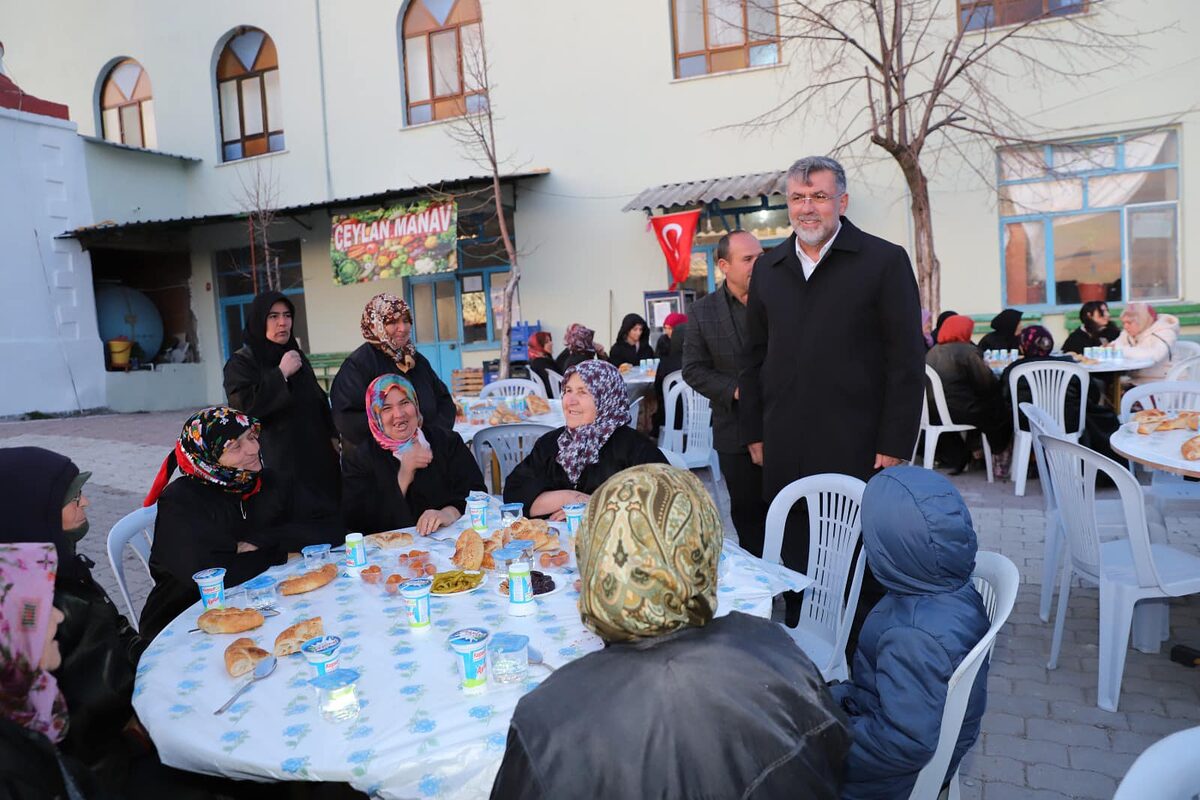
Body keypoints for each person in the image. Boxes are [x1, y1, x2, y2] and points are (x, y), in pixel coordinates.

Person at [490, 464, 851, 800]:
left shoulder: (547, 720)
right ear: (703, 552)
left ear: (594, 564)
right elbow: (832, 761)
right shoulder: (776, 650)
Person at [740, 156, 925, 632]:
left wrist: (895, 442)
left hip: (859, 443)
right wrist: (755, 432)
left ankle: (865, 663)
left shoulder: (883, 261)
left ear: (841, 201)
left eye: (819, 196)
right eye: (798, 197)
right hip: (786, 444)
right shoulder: (769, 269)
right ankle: (807, 655)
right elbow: (754, 357)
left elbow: (906, 360)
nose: (808, 208)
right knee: (797, 556)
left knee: (862, 560)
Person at [829, 467, 990, 800]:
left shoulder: (913, 636)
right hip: (884, 717)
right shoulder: (942, 586)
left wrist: (820, 744)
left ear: (890, 548)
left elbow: (902, 743)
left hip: (886, 778)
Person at [0, 447, 145, 791]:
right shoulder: (39, 607)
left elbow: (120, 635)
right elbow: (89, 726)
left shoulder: (62, 568)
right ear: (34, 510)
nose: (86, 503)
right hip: (116, 765)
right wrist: (139, 737)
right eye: (73, 497)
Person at [139, 407, 341, 641]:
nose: (253, 449)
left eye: (251, 437)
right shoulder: (181, 501)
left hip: (263, 608)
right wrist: (284, 552)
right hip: (186, 623)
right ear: (207, 457)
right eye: (235, 447)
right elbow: (213, 577)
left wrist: (262, 540)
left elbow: (334, 528)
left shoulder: (271, 482)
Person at [684, 230, 769, 556]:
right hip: (734, 433)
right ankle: (765, 592)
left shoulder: (782, 303)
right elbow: (693, 369)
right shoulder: (703, 312)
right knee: (748, 515)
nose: (757, 264)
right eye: (748, 259)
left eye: (761, 256)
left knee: (792, 513)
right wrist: (735, 390)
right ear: (723, 265)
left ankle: (797, 592)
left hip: (785, 426)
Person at [223, 291, 340, 516]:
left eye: (287, 315)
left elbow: (316, 397)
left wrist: (333, 435)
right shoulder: (242, 362)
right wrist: (280, 374)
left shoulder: (294, 354)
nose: (282, 322)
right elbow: (244, 409)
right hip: (280, 461)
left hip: (318, 458)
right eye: (273, 316)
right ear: (259, 320)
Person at [503, 360, 666, 520]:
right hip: (554, 544)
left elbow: (664, 502)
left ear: (606, 398)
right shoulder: (552, 444)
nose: (570, 401)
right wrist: (570, 498)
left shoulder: (634, 448)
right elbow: (515, 496)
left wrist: (596, 508)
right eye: (568, 390)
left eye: (583, 392)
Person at [342, 374, 485, 535]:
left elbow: (478, 493)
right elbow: (358, 521)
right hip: (391, 555)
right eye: (386, 408)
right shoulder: (359, 459)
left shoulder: (447, 442)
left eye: (405, 403)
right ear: (375, 415)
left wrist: (448, 513)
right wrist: (404, 475)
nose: (399, 414)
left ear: (416, 404)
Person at [330, 293, 455, 448]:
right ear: (376, 325)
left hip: (426, 451)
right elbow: (346, 419)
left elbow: (444, 401)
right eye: (393, 322)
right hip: (380, 463)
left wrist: (430, 437)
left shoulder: (415, 360)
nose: (402, 328)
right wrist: (399, 443)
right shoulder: (358, 366)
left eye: (406, 320)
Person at [1002, 325, 1119, 461]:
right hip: (1069, 422)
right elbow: (1092, 394)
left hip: (1029, 424)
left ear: (1023, 345)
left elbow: (1005, 398)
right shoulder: (1070, 365)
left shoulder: (1013, 369)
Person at [925, 314, 1011, 477]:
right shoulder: (968, 352)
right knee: (1000, 409)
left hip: (932, 413)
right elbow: (987, 384)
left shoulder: (932, 352)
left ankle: (974, 450)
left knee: (985, 406)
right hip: (960, 411)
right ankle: (998, 453)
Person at [1113, 302, 1181, 384]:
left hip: (1165, 382)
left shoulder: (1165, 332)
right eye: (1123, 323)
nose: (1125, 326)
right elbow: (1114, 345)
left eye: (1129, 322)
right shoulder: (1129, 333)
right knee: (1110, 388)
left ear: (1142, 320)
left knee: (1121, 393)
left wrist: (1120, 350)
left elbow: (1155, 356)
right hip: (1138, 380)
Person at [650, 317, 687, 435]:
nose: (667, 332)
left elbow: (658, 389)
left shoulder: (665, 363)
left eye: (670, 329)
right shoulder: (699, 361)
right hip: (700, 416)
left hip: (672, 416)